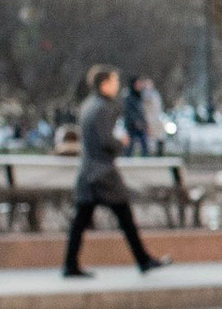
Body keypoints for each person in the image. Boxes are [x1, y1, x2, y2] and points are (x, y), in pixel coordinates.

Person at [61, 67, 162, 278]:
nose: (117, 85)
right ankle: (143, 260)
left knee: (81, 221)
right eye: (114, 81)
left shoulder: (89, 106)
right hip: (103, 174)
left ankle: (70, 264)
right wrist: (121, 142)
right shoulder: (103, 108)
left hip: (89, 173)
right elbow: (106, 141)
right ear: (104, 83)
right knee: (124, 216)